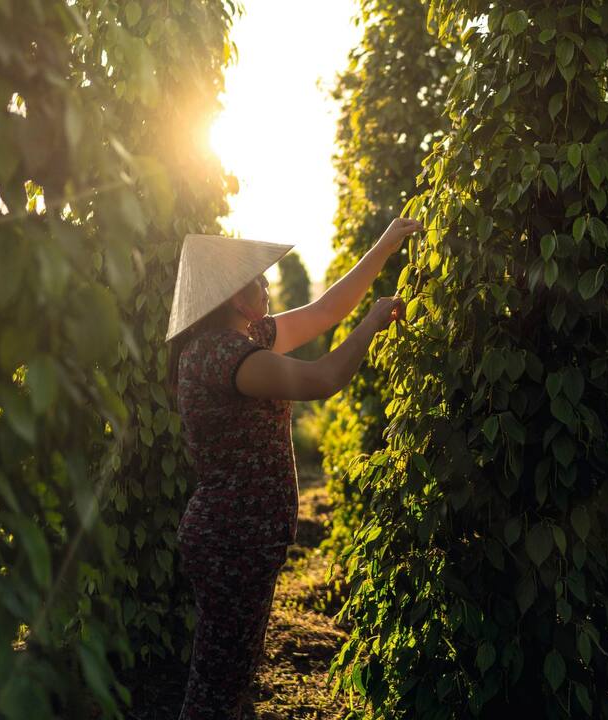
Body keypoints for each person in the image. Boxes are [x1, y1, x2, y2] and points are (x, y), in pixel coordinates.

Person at [165, 217, 421, 720]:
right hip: (232, 538)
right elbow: (322, 378)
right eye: (256, 279)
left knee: (228, 677)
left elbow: (325, 311)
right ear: (235, 298)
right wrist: (371, 324)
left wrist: (386, 244)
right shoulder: (223, 355)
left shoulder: (240, 337)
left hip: (240, 536)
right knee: (218, 686)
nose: (266, 284)